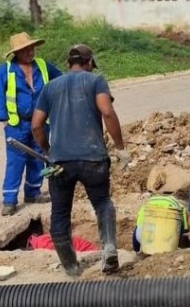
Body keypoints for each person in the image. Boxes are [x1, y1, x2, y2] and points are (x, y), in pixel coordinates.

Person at [32, 44, 125, 277]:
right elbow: (106, 110)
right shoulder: (96, 81)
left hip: (60, 162)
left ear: (67, 64)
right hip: (94, 158)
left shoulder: (51, 87)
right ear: (90, 62)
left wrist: (48, 149)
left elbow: (36, 125)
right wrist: (121, 147)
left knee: (60, 212)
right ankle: (110, 249)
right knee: (102, 202)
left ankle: (71, 266)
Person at [0, 32, 62, 216]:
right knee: (15, 161)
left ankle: (33, 193)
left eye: (32, 48)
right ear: (17, 52)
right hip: (17, 124)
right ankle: (9, 200)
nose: (30, 52)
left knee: (38, 158)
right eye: (26, 49)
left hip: (41, 122)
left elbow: (61, 80)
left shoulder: (43, 65)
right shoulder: (5, 70)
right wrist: (3, 118)